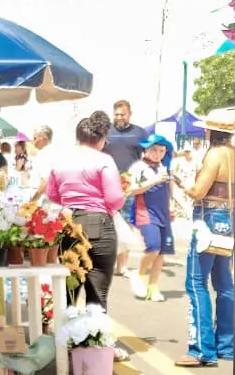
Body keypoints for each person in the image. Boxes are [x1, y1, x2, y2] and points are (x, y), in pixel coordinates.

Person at [176, 109, 235, 368]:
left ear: (210, 131)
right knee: (225, 283)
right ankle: (226, 345)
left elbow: (197, 191)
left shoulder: (214, 154)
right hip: (231, 219)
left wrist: (182, 182)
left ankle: (202, 349)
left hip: (209, 220)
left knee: (196, 282)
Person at [46, 112, 125, 308]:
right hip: (99, 225)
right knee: (97, 295)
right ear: (101, 139)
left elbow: (52, 195)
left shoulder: (60, 160)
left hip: (68, 225)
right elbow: (114, 199)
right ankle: (92, 335)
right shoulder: (104, 160)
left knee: (68, 291)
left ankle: (65, 336)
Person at [126, 134, 175, 302]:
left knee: (162, 252)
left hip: (164, 213)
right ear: (146, 149)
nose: (158, 153)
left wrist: (173, 205)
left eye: (162, 150)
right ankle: (138, 274)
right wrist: (153, 181)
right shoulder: (138, 167)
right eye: (154, 149)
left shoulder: (164, 167)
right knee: (153, 246)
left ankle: (153, 286)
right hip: (145, 212)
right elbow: (132, 190)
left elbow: (170, 188)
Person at [103, 100, 148, 280]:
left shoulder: (140, 133)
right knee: (107, 225)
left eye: (123, 114)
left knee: (127, 225)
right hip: (107, 183)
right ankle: (106, 263)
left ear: (130, 114)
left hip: (129, 186)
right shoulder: (106, 131)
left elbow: (149, 155)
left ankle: (121, 266)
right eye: (117, 114)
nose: (119, 117)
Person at [28, 125, 59, 202]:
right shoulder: (53, 151)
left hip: (44, 200)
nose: (32, 142)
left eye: (35, 138)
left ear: (43, 138)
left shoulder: (45, 154)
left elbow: (45, 182)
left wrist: (32, 201)